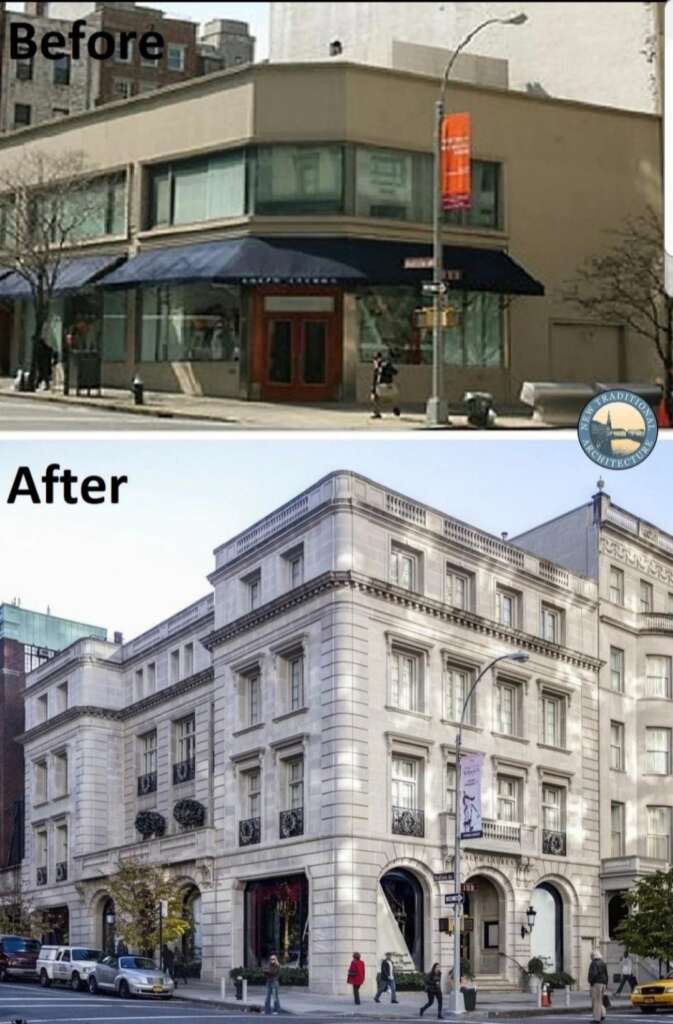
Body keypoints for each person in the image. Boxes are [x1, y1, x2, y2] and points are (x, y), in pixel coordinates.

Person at [370, 351, 400, 420]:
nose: (374, 361)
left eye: (375, 359)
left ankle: (395, 408)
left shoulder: (384, 365)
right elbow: (376, 377)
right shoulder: (378, 366)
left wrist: (385, 369)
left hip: (385, 385)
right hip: (382, 385)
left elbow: (394, 371)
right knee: (376, 398)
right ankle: (378, 413)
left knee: (385, 399)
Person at [588, 950, 609, 1023]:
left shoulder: (593, 963)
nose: (590, 957)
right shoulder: (603, 963)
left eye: (591, 956)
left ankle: (597, 1019)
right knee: (600, 1000)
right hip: (603, 984)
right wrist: (606, 984)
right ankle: (603, 1014)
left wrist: (590, 982)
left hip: (596, 984)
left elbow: (593, 974)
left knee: (596, 1001)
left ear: (593, 956)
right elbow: (606, 974)